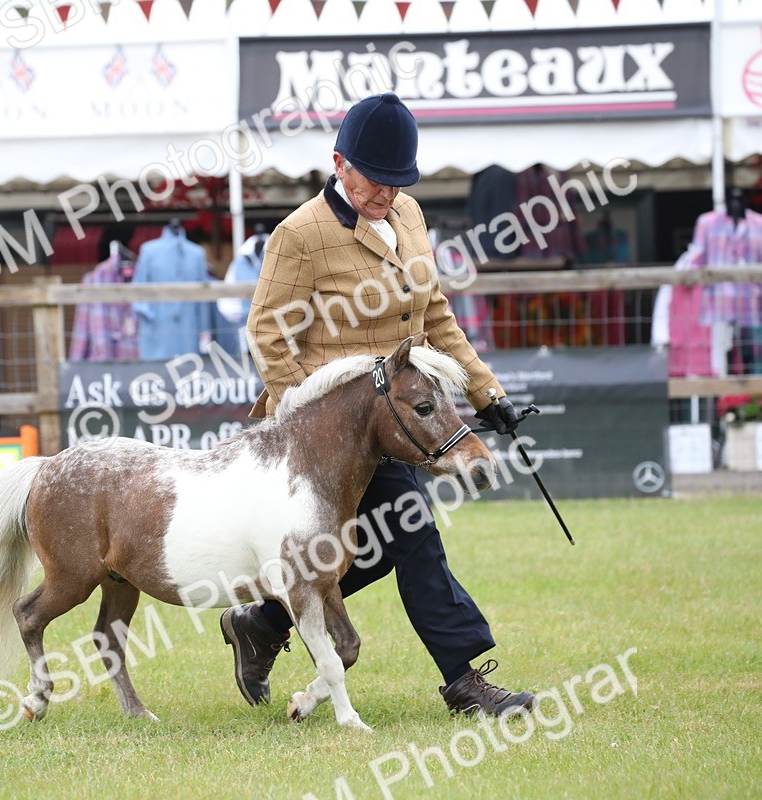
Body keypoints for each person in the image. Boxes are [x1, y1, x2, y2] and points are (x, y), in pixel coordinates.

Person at [220, 92, 534, 717]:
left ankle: (264, 621)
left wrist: (486, 392)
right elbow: (267, 331)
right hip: (328, 434)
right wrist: (302, 422)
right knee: (412, 531)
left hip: (395, 422)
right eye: (375, 182)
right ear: (339, 163)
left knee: (388, 542)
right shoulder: (300, 234)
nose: (387, 194)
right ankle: (464, 681)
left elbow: (435, 314)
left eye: (397, 182)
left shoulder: (412, 216)